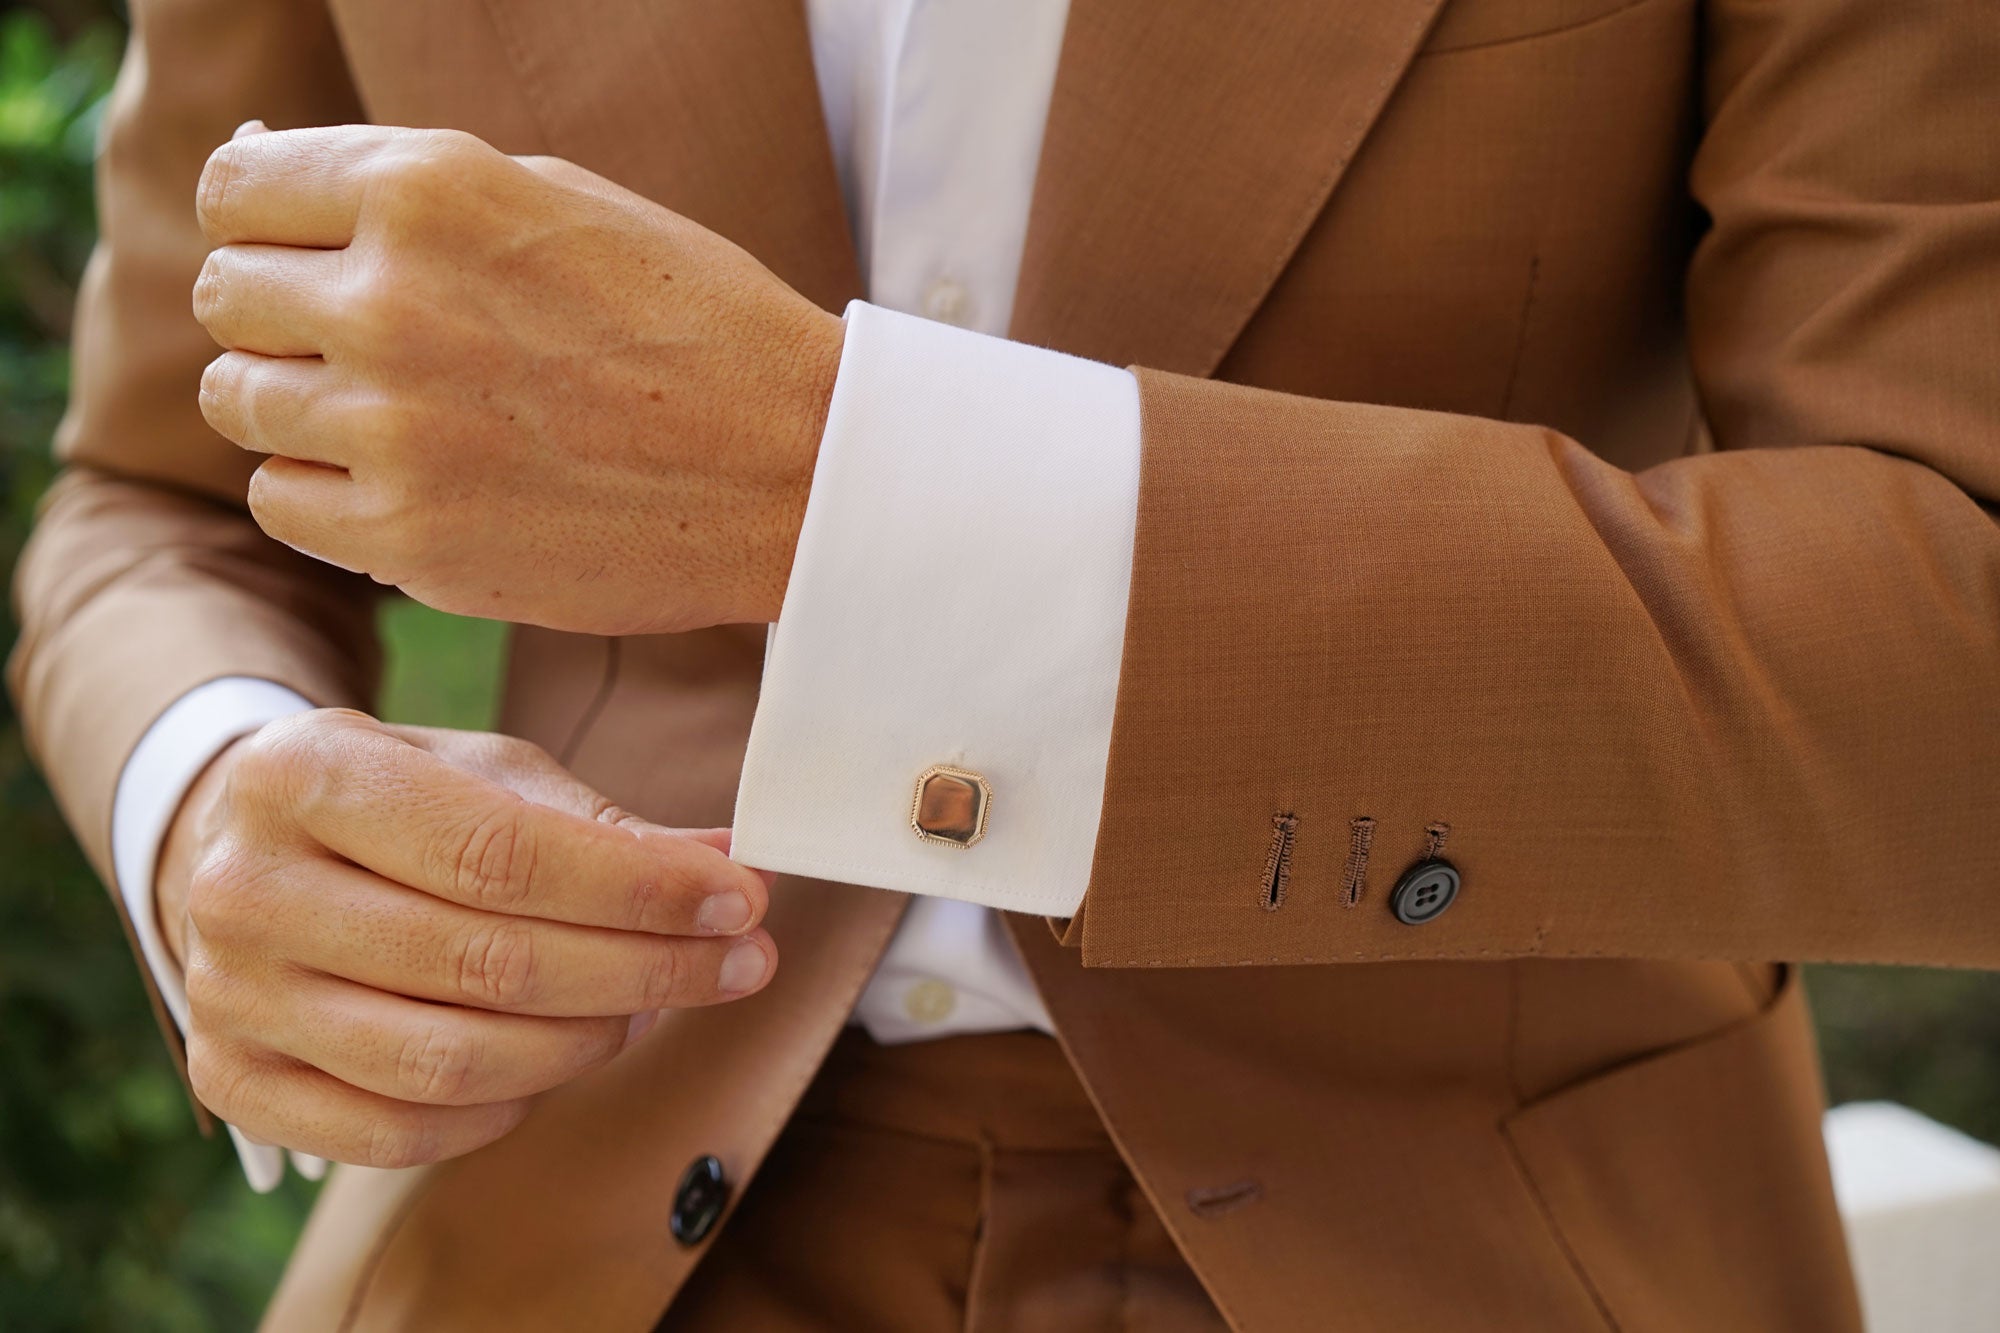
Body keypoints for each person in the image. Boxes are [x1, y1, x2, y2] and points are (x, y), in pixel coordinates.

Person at [11, 0, 1998, 1327]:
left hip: (1488, 1237)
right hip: (564, 1221)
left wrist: (842, 480)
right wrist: (211, 794)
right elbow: (148, 492)